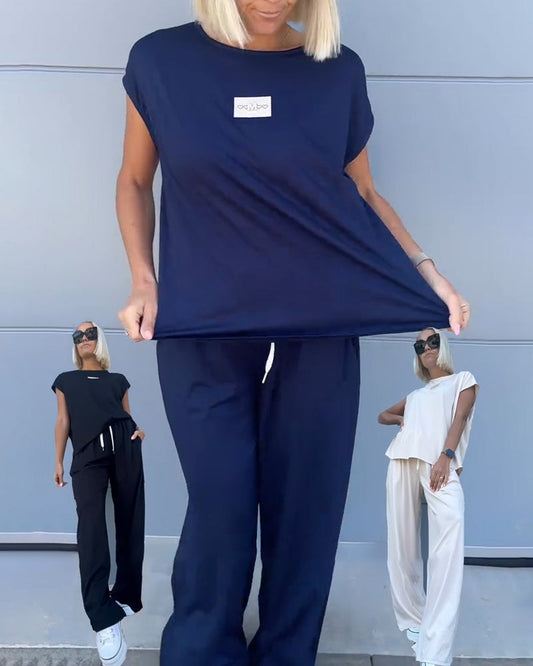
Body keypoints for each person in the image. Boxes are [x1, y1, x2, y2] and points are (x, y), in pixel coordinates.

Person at [116, 2, 471, 664]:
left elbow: (362, 194)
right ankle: (200, 652)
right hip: (202, 326)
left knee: (307, 508)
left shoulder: (336, 72)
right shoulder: (160, 61)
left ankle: (287, 653)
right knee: (220, 506)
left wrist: (428, 275)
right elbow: (136, 180)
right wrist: (143, 279)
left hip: (319, 326)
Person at [378, 328, 478, 666]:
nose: (427, 349)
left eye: (433, 342)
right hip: (402, 459)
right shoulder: (417, 394)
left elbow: (459, 419)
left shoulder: (463, 380)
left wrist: (446, 456)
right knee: (401, 545)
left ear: (443, 346)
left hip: (439, 463)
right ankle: (414, 621)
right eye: (420, 346)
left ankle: (436, 652)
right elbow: (382, 415)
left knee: (448, 539)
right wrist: (403, 421)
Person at [52, 321, 145, 666]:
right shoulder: (66, 380)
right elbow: (63, 421)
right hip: (87, 454)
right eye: (78, 336)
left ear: (100, 340)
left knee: (131, 517)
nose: (84, 339)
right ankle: (102, 617)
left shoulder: (118, 380)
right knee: (91, 527)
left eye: (90, 334)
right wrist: (59, 460)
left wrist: (137, 432)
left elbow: (127, 416)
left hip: (125, 447)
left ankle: (126, 597)